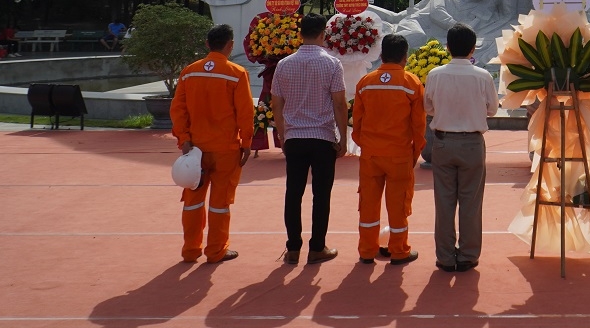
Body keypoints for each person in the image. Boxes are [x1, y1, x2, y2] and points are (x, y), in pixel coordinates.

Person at [170, 24, 254, 264]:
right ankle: (216, 250)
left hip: (194, 150)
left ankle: (190, 250)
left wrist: (184, 139)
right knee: (220, 203)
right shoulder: (236, 73)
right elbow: (245, 113)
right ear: (230, 45)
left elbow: (178, 109)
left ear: (207, 44)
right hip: (225, 149)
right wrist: (247, 142)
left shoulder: (189, 72)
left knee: (192, 202)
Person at [271, 13, 346, 265]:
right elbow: (339, 104)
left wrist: (283, 136)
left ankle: (293, 248)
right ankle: (317, 247)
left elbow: (277, 105)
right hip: (322, 136)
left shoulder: (284, 64)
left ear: (300, 33)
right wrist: (343, 137)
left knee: (293, 193)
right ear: (323, 33)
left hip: (295, 136)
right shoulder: (332, 64)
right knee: (321, 195)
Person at [424, 23, 499, 272]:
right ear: (473, 48)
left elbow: (428, 108)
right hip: (472, 143)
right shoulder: (483, 76)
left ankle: (445, 257)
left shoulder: (435, 74)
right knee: (471, 202)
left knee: (444, 202)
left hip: (443, 143)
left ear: (447, 47)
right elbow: (492, 109)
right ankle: (468, 255)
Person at [352, 34, 426, 265]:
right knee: (398, 205)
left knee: (368, 205)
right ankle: (398, 250)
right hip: (399, 155)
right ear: (405, 57)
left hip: (371, 155)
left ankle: (367, 250)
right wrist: (414, 154)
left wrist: (367, 146)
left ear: (381, 55)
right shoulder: (411, 84)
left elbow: (357, 124)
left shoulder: (365, 82)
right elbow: (419, 127)